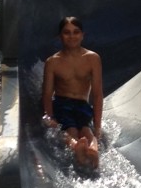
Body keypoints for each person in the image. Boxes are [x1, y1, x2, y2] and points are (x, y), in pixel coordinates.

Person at [42, 16, 103, 170]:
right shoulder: (53, 62)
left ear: (83, 35)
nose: (72, 36)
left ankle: (92, 148)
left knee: (87, 129)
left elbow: (97, 93)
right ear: (60, 36)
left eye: (76, 32)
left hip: (82, 104)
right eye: (67, 33)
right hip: (62, 104)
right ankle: (76, 146)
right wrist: (50, 117)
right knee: (71, 129)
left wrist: (98, 124)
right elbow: (47, 94)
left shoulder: (92, 58)